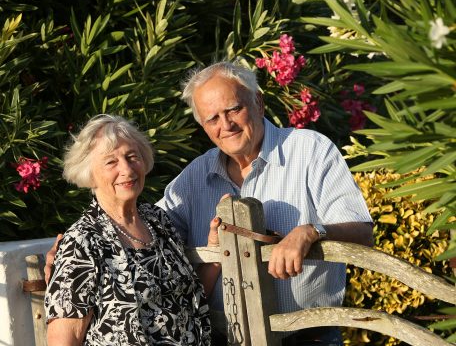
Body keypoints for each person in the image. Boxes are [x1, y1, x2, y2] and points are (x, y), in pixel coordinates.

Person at [46, 61, 373, 345]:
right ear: (203, 125)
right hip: (224, 337)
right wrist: (70, 255)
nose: (225, 124)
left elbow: (362, 231)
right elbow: (134, 226)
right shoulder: (195, 176)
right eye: (212, 118)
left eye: (233, 109)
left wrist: (310, 231)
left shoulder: (311, 150)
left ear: (258, 102)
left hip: (307, 338)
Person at [44, 114, 219, 346]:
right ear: (89, 173)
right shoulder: (82, 242)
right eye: (111, 162)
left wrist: (215, 254)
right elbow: (65, 340)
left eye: (131, 156)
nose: (126, 169)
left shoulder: (158, 222)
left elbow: (188, 301)